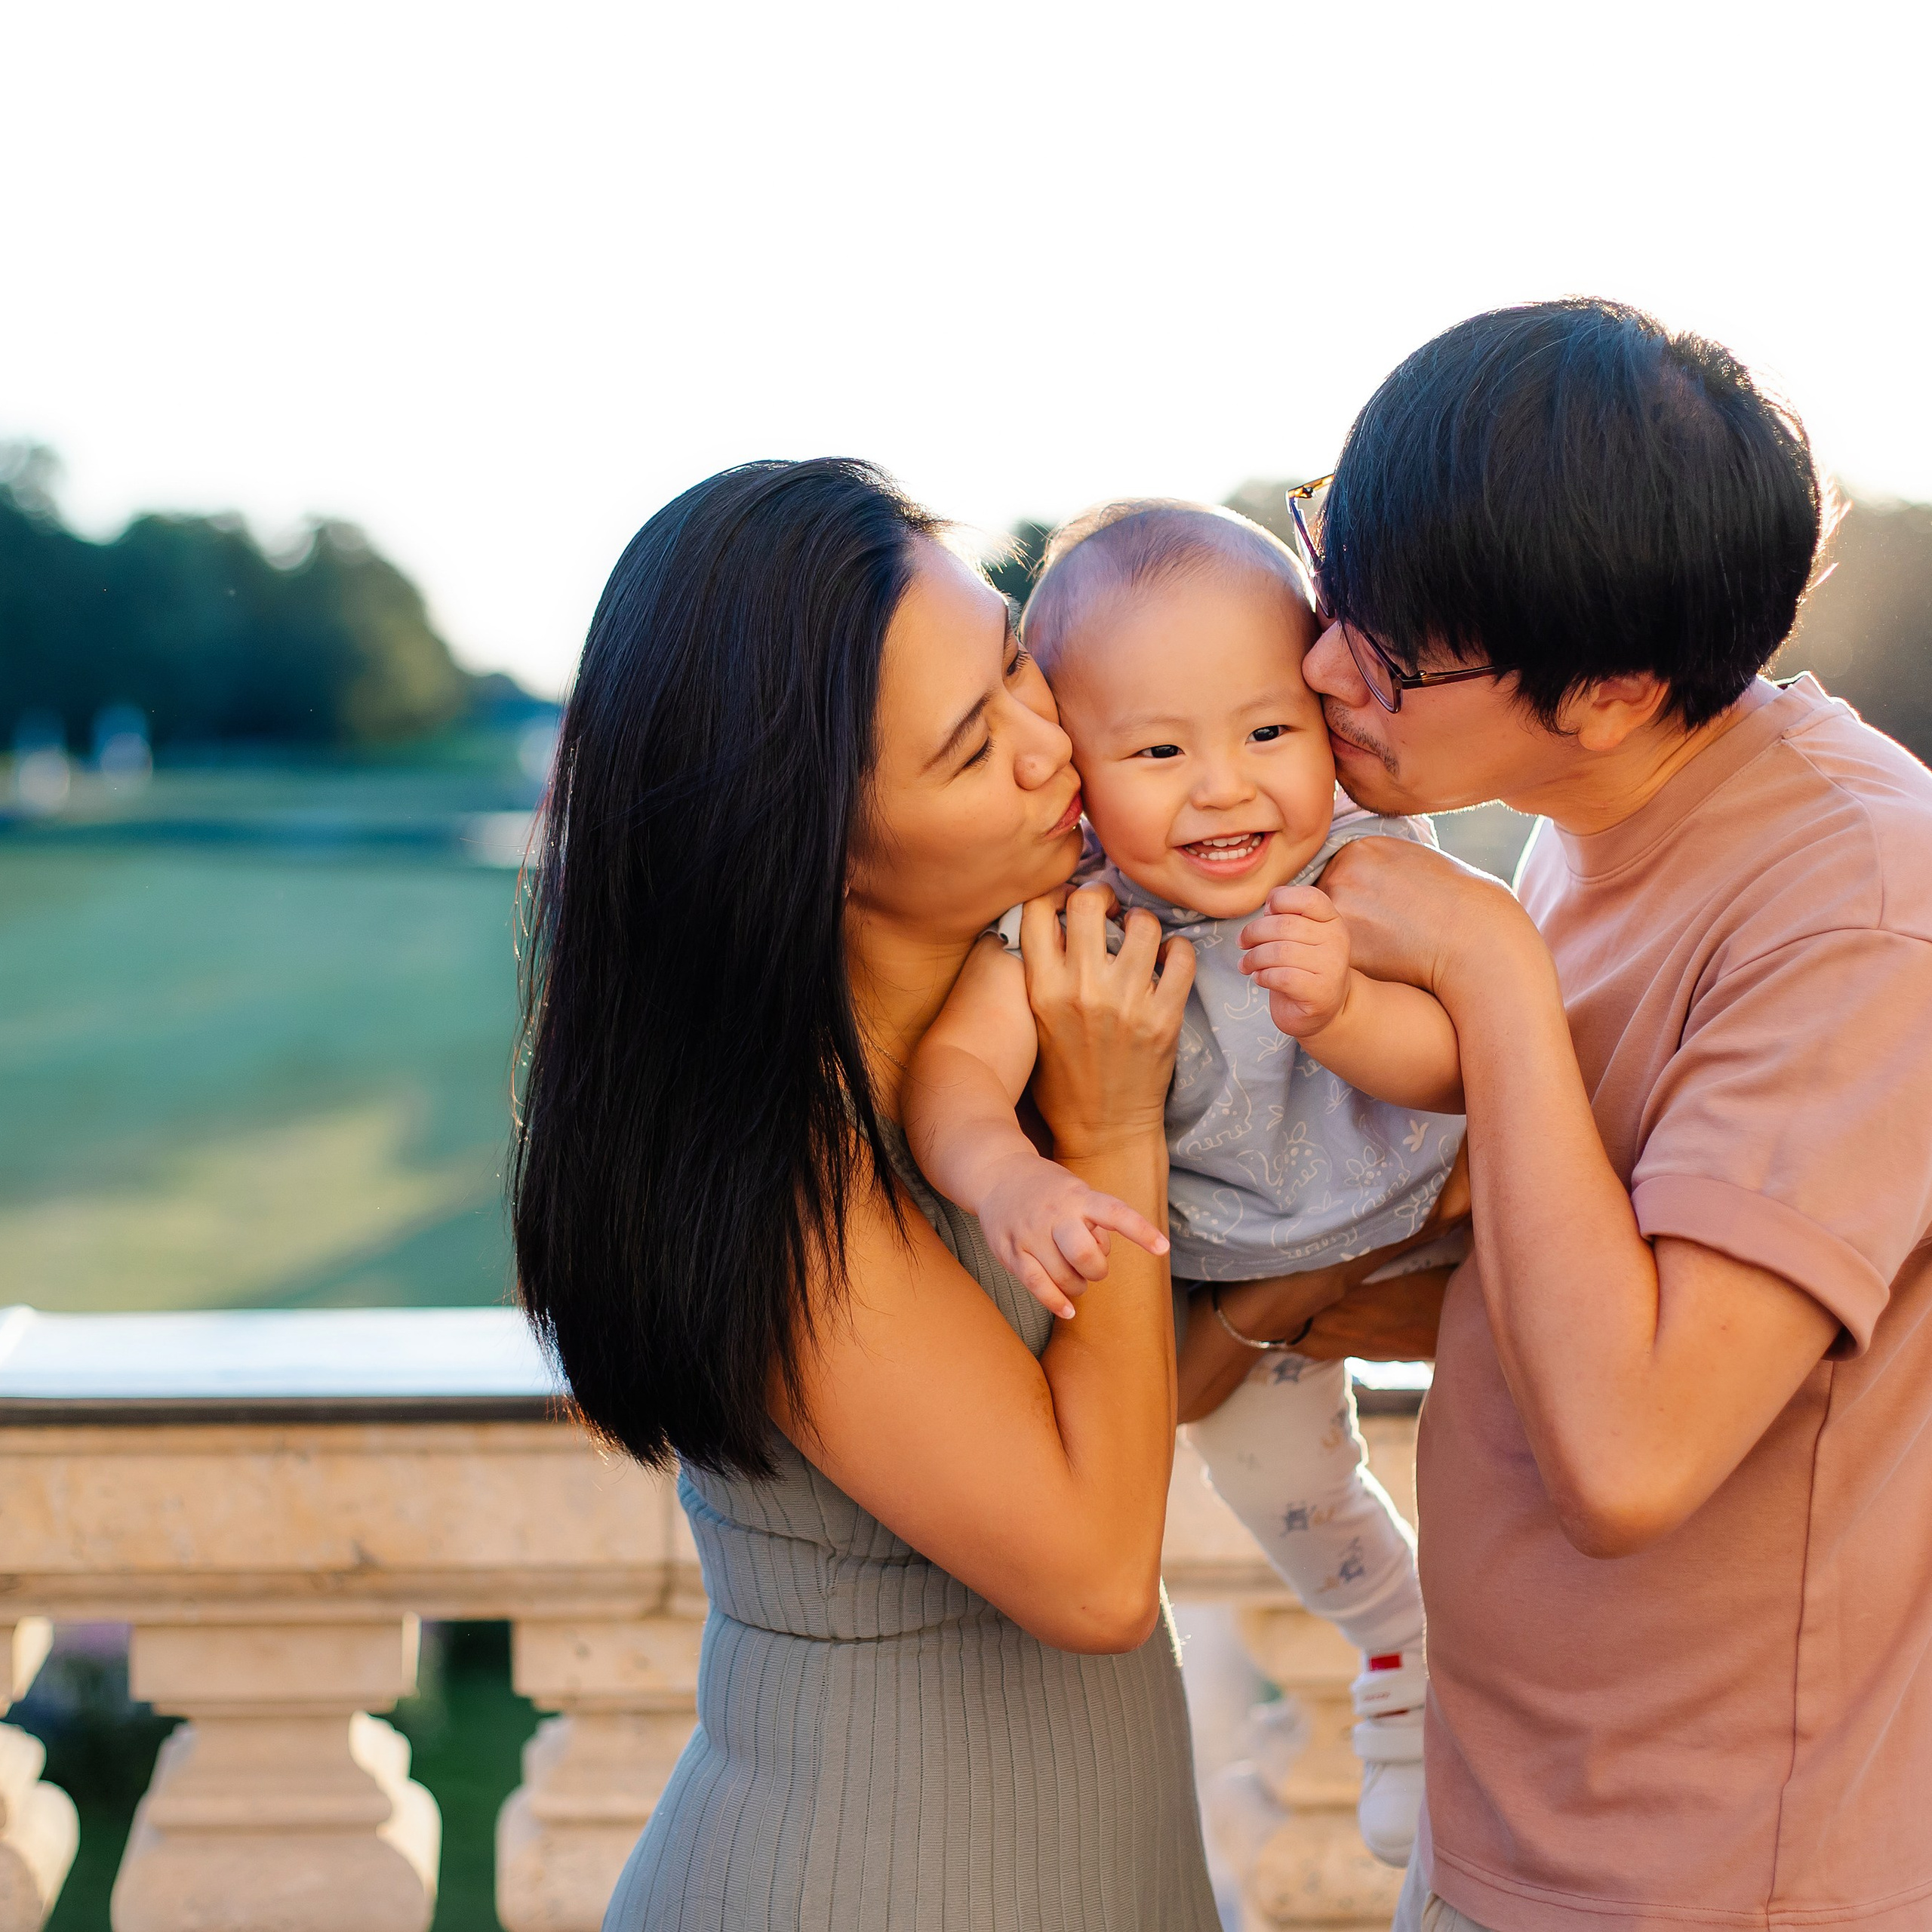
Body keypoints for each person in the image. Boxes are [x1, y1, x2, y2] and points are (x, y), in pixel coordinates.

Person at [1239, 299, 1932, 1930]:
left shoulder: (1855, 910)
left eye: (1393, 648)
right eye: (1327, 576)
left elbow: (1631, 1447)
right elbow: (1579, 1253)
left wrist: (1485, 973)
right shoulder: (1587, 814)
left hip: (1710, 1876)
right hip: (1529, 1824)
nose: (1325, 665)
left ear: (1612, 687)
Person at [511, 457, 1223, 1930]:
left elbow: (1112, 1411)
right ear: (814, 857)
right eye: (972, 749)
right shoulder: (792, 1193)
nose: (1049, 741)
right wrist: (1107, 1131)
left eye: (1017, 660)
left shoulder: (1020, 1015)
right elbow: (1094, 1572)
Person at [900, 497, 1466, 1865]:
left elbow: (1468, 1058)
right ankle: (1401, 1660)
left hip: (1450, 1221)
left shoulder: (1369, 870)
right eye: (1157, 750)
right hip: (1230, 1278)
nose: (1225, 788)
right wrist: (1007, 1180)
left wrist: (1349, 1016)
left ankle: (1508, 1691)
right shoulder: (1072, 919)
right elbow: (955, 1079)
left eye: (1269, 732)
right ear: (1074, 767)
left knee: (1519, 1479)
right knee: (1292, 1496)